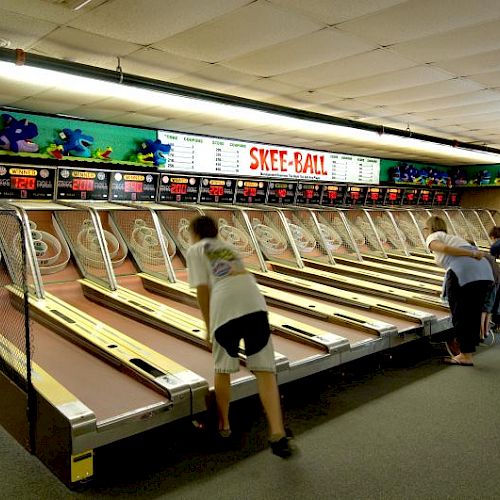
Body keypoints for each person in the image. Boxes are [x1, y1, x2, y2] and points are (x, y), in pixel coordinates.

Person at [186, 215, 294, 458]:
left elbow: (203, 290)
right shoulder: (229, 246)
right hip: (255, 304)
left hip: (226, 308)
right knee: (265, 371)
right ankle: (277, 432)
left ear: (194, 233)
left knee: (222, 369)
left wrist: (207, 326)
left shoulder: (195, 250)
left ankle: (223, 425)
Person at [423, 216, 494, 366]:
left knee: (461, 314)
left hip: (464, 274)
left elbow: (445, 249)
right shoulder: (453, 237)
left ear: (428, 228)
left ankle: (465, 355)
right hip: (484, 272)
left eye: (425, 227)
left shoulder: (433, 237)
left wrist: (472, 254)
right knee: (473, 314)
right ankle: (467, 353)